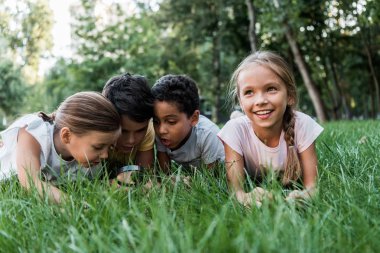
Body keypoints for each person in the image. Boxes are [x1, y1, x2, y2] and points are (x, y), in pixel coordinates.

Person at [218, 51, 324, 207]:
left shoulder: (302, 125)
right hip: (241, 126)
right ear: (240, 101)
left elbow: (312, 187)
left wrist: (303, 196)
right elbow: (236, 192)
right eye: (249, 92)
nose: (260, 100)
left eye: (271, 89)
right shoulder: (234, 131)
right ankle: (236, 115)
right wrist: (247, 197)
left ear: (290, 96)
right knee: (238, 122)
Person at [0, 91, 121, 203]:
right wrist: (72, 205)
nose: (105, 155)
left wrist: (114, 183)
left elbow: (82, 185)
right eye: (98, 147)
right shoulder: (34, 134)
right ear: (67, 136)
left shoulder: (87, 160)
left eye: (110, 147)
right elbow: (31, 183)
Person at [152, 74, 225, 173]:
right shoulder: (161, 132)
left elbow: (212, 179)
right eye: (156, 121)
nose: (161, 130)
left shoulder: (207, 135)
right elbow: (165, 174)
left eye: (171, 122)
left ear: (193, 118)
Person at [102, 73, 155, 185]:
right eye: (123, 131)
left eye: (140, 130)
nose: (131, 140)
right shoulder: (95, 131)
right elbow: (85, 181)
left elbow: (144, 175)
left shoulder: (148, 130)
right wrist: (113, 183)